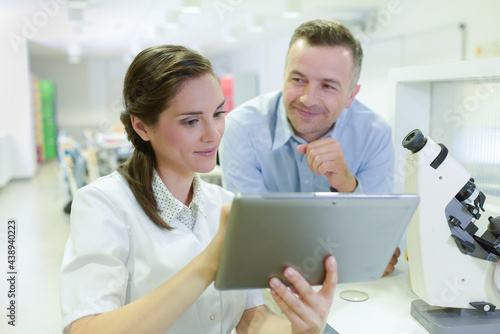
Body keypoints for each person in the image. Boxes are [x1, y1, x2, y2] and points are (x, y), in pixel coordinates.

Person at [59, 44, 338, 334]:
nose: (212, 134)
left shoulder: (226, 203)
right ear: (142, 127)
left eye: (218, 113)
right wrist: (208, 263)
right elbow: (86, 329)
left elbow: (251, 319)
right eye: (191, 121)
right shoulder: (104, 205)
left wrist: (301, 329)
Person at [218, 19, 398, 276]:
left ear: (350, 95)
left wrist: (348, 185)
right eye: (298, 80)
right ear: (283, 78)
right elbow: (252, 236)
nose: (307, 98)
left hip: (353, 290)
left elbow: (377, 239)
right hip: (266, 284)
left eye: (327, 85)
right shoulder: (242, 128)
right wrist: (355, 253)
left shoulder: (374, 133)